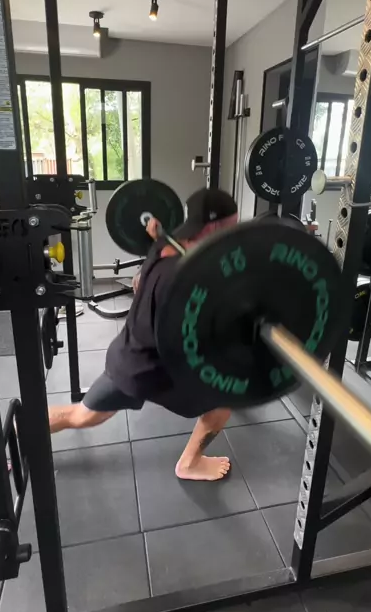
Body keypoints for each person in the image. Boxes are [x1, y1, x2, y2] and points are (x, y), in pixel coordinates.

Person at [48, 187, 239, 481]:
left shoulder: (166, 243)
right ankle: (189, 464)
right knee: (222, 401)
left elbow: (154, 233)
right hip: (150, 369)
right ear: (213, 228)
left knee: (81, 416)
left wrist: (152, 226)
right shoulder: (183, 278)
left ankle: (10, 434)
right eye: (232, 226)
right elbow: (190, 338)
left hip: (128, 353)